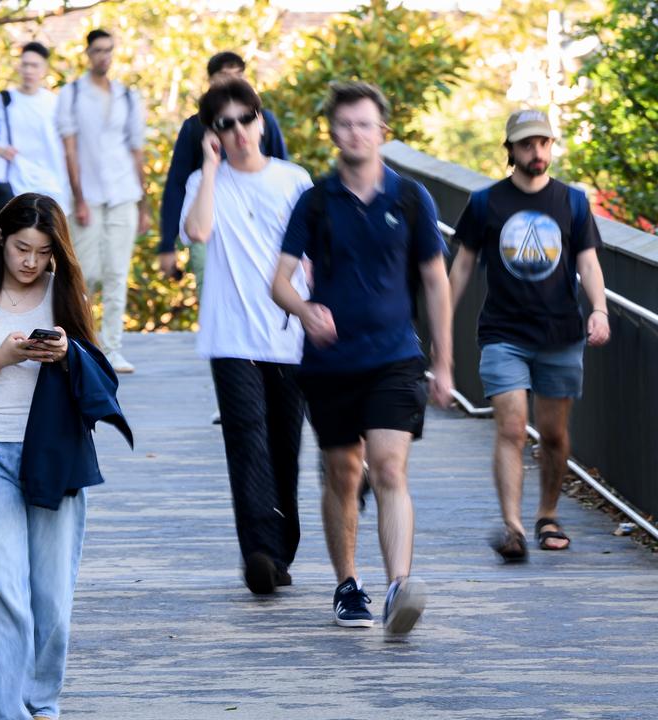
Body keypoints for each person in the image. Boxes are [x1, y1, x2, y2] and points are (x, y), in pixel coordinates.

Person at [270, 81, 453, 639]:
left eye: (365, 124)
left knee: (390, 466)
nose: (355, 133)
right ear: (333, 131)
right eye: (345, 124)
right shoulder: (316, 201)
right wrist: (305, 310)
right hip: (330, 363)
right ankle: (348, 583)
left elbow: (435, 281)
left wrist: (444, 363)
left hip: (396, 357)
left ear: (383, 132)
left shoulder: (410, 198)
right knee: (345, 473)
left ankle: (400, 585)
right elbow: (278, 282)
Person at [0, 193, 102, 720]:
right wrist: (3, 357)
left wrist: (65, 353)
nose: (30, 261)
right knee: (4, 589)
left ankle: (42, 703)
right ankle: (8, 712)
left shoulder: (65, 294)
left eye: (42, 251)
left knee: (52, 594)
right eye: (21, 248)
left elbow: (96, 367)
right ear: (1, 241)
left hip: (54, 453)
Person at [447, 109, 611, 560]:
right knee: (513, 427)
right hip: (504, 333)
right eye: (526, 144)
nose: (536, 152)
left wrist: (599, 309)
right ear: (510, 151)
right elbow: (461, 266)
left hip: (561, 332)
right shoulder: (485, 203)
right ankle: (513, 526)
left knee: (554, 435)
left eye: (543, 143)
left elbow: (589, 263)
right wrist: (440, 326)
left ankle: (547, 514)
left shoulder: (573, 202)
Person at [180, 79, 311, 595]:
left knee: (285, 445)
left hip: (288, 333)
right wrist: (211, 168)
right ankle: (258, 552)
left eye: (245, 119)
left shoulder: (294, 180)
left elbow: (315, 257)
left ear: (261, 120)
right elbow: (198, 231)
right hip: (230, 336)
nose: (237, 131)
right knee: (246, 442)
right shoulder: (203, 181)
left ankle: (281, 549)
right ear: (213, 133)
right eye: (224, 124)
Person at [56, 28, 149, 374]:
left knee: (116, 273)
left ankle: (113, 348)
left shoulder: (127, 96)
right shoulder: (72, 94)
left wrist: (143, 202)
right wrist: (78, 197)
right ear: (87, 53)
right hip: (88, 196)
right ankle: (84, 344)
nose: (104, 56)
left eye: (109, 50)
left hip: (124, 192)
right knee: (86, 274)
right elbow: (70, 150)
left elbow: (136, 150)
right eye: (97, 50)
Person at [160, 51, 289, 287]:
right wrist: (167, 243)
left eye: (239, 75)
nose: (232, 81)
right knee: (211, 293)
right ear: (210, 81)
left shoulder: (263, 120)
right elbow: (176, 185)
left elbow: (283, 172)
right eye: (224, 75)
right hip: (207, 225)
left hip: (259, 226)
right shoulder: (194, 126)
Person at [0, 41, 69, 211]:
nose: (28, 70)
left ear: (44, 69)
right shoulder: (1, 100)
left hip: (51, 187)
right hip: (13, 187)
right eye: (25, 64)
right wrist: (0, 150)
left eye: (34, 65)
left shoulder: (55, 103)